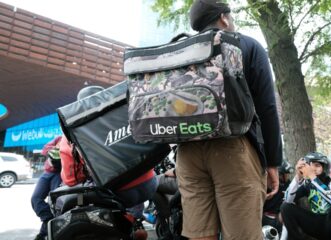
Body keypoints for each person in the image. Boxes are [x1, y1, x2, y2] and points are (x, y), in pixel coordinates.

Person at [177, 1, 283, 239]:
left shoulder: (181, 51)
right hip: (233, 149)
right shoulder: (247, 45)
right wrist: (273, 162)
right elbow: (266, 108)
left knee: (200, 235)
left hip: (187, 152)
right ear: (224, 18)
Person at [59, 85, 159, 239]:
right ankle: (135, 220)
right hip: (149, 184)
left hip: (117, 194)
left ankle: (124, 226)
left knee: (69, 194)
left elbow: (71, 179)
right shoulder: (126, 113)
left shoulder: (73, 133)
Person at [280, 152, 331, 240]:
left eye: (317, 165)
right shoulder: (307, 183)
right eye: (309, 165)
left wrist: (313, 177)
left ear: (325, 168)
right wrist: (297, 177)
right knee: (286, 207)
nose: (313, 169)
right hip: (317, 224)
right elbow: (288, 200)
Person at [31, 136, 63, 240]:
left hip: (60, 174)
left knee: (55, 203)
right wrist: (54, 150)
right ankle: (48, 220)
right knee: (35, 198)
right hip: (48, 172)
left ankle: (44, 234)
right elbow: (45, 149)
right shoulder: (59, 138)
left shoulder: (74, 138)